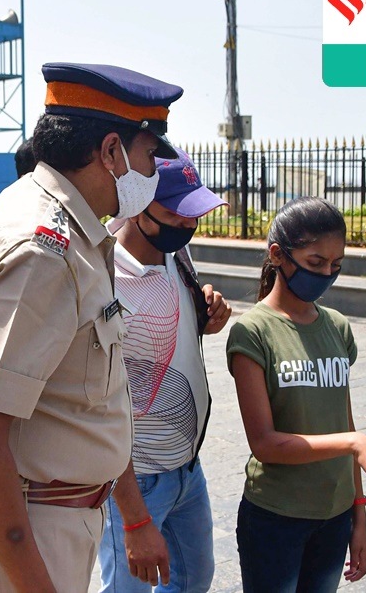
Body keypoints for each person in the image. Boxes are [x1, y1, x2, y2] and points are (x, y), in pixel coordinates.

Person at [0, 63, 184, 593]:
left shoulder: (62, 223)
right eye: (147, 156)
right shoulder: (45, 252)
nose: (153, 171)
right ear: (112, 152)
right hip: (23, 531)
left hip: (46, 517)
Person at [226, 197, 366, 592]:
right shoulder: (253, 332)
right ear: (278, 255)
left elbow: (344, 421)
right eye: (315, 263)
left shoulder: (337, 327)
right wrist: (353, 443)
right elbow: (265, 444)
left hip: (335, 515)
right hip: (276, 517)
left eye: (335, 265)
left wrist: (358, 516)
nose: (326, 274)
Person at [99, 151, 231, 593]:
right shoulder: (105, 279)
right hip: (135, 478)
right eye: (177, 213)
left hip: (186, 467)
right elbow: (97, 409)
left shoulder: (175, 251)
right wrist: (134, 517)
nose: (187, 224)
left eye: (193, 214)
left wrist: (205, 307)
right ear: (137, 207)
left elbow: (173, 317)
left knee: (194, 578)